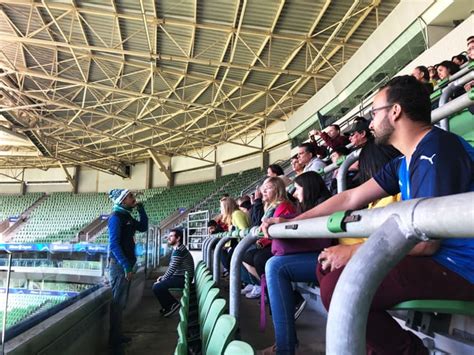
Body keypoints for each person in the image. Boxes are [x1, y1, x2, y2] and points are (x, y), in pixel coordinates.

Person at [263, 75, 474, 354]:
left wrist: (355, 253)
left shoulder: (437, 150)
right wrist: (292, 221)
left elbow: (427, 241)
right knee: (327, 269)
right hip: (435, 261)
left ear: (395, 111)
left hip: (459, 267)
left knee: (341, 285)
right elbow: (350, 196)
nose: (371, 123)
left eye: (374, 113)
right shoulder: (403, 161)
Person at [263, 172, 332, 355]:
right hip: (321, 254)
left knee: (274, 266)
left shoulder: (324, 204)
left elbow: (322, 241)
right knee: (273, 264)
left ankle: (285, 348)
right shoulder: (308, 207)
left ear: (308, 188)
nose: (294, 194)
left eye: (298, 188)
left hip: (330, 256)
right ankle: (285, 345)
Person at [107, 189, 148, 352]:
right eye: (130, 196)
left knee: (122, 302)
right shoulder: (116, 218)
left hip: (127, 264)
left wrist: (141, 209)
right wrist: (125, 265)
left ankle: (118, 336)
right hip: (120, 266)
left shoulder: (127, 216)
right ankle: (114, 343)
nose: (134, 198)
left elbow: (143, 227)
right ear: (122, 200)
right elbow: (114, 245)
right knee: (117, 303)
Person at [242, 177, 296, 299]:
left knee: (259, 258)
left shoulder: (284, 205)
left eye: (268, 188)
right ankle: (268, 289)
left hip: (284, 245)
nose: (263, 192)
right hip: (271, 243)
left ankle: (287, 296)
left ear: (278, 190)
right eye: (263, 189)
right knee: (246, 256)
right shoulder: (269, 207)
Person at [153, 229, 194, 317]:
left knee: (157, 286)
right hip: (181, 276)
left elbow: (172, 268)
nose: (168, 238)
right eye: (169, 236)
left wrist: (163, 278)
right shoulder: (178, 248)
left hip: (183, 279)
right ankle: (167, 306)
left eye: (171, 236)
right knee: (158, 284)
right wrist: (163, 277)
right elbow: (172, 268)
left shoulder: (179, 251)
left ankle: (173, 304)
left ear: (178, 238)